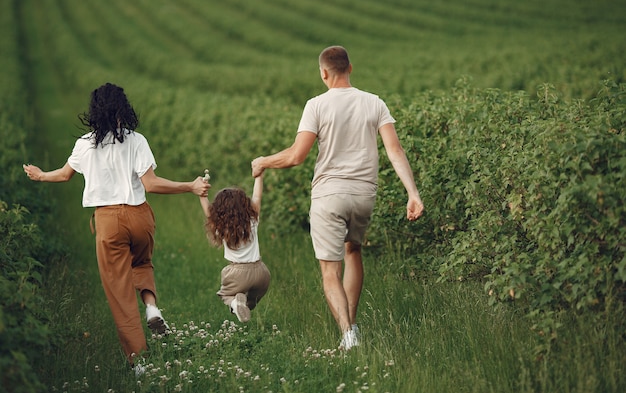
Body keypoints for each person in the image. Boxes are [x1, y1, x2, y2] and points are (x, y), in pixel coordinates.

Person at [23, 83, 210, 372]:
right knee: (142, 263)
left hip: (107, 223)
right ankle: (151, 307)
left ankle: (139, 364)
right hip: (139, 216)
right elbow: (152, 184)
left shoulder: (84, 144)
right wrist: (190, 186)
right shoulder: (137, 141)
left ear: (94, 112)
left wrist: (39, 175)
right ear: (124, 108)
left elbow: (63, 175)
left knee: (120, 293)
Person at [251, 45, 424, 351]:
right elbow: (395, 150)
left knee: (330, 270)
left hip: (329, 196)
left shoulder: (316, 105)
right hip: (364, 195)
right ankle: (352, 326)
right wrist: (413, 192)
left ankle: (347, 335)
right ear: (351, 68)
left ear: (323, 73)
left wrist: (264, 161)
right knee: (353, 251)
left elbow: (296, 155)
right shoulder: (375, 103)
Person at [198, 172, 271, 323]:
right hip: (261, 272)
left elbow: (208, 213)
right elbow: (257, 196)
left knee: (225, 295)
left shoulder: (221, 226)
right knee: (250, 303)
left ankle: (235, 303)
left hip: (237, 273)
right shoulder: (252, 220)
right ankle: (242, 304)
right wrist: (259, 176)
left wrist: (202, 194)